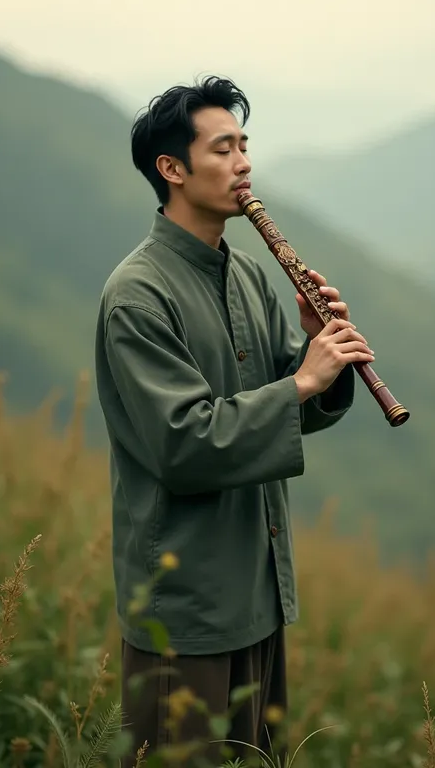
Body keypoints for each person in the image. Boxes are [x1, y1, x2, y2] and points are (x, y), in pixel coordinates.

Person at [94, 75, 374, 766]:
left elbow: (288, 403)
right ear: (173, 169)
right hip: (184, 610)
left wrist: (321, 361)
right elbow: (185, 444)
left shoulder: (248, 274)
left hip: (259, 592)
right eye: (223, 148)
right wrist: (302, 380)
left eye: (245, 145)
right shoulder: (137, 296)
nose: (244, 161)